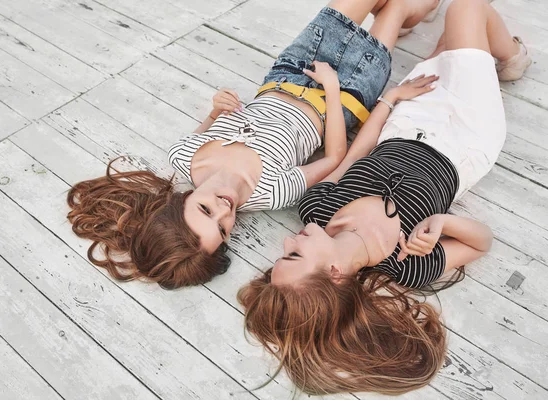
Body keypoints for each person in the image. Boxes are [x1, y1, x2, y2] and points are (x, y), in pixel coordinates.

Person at [238, 0, 531, 395]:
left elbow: (357, 152)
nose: (289, 240)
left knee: (449, 46)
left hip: (406, 120)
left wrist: (393, 98)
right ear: (336, 274)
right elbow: (481, 244)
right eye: (293, 255)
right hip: (466, 139)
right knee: (466, 8)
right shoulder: (405, 266)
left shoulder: (317, 209)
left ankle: (465, 42)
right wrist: (445, 223)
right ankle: (512, 57)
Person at [67, 0, 440, 289]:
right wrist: (330, 87)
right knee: (399, 7)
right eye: (225, 229)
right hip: (344, 96)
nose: (225, 211)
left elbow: (205, 128)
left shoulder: (182, 156)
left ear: (179, 200)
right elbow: (336, 156)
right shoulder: (273, 192)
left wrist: (215, 111)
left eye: (206, 210)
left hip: (288, 71)